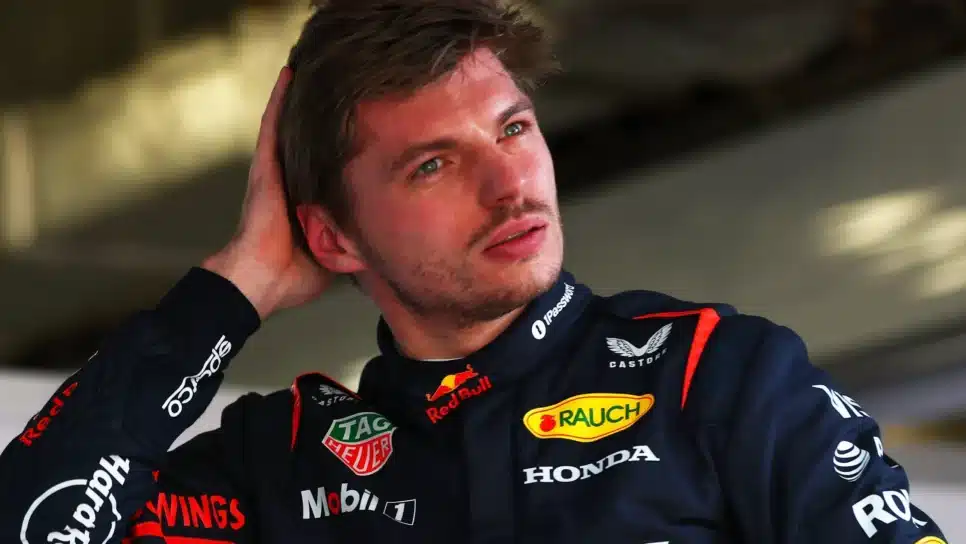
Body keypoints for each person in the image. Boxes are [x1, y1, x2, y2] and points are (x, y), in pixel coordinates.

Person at [0, 1, 948, 543]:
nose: (510, 185)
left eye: (513, 128)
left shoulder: (718, 376)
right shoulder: (285, 465)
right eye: (433, 165)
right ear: (334, 238)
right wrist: (233, 289)